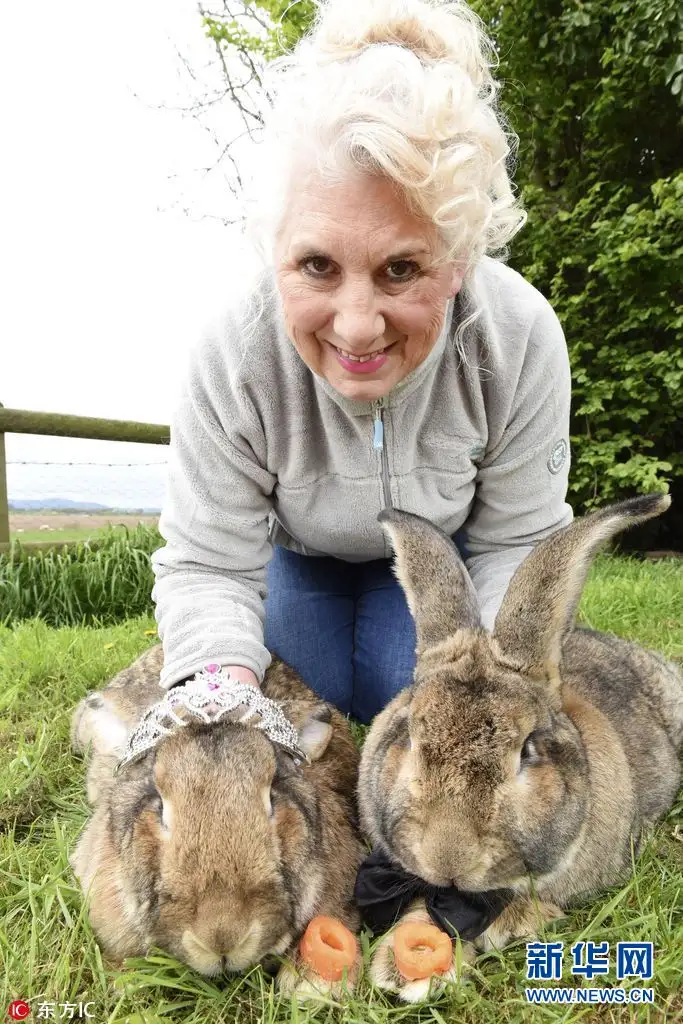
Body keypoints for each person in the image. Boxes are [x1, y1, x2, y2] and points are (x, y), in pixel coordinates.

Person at [151, 0, 572, 724]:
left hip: (443, 555)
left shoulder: (518, 336)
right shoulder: (230, 354)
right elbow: (212, 564)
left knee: (397, 695)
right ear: (272, 247)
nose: (355, 327)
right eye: (315, 264)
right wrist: (220, 690)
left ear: (460, 259)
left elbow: (517, 546)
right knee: (303, 695)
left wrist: (501, 687)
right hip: (300, 554)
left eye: (401, 268)